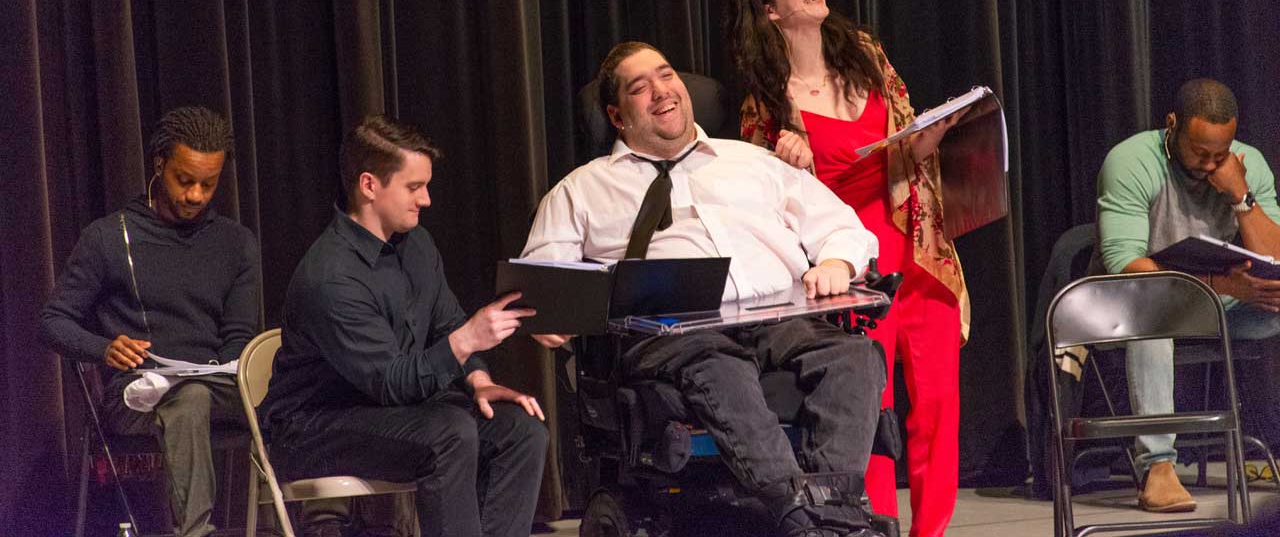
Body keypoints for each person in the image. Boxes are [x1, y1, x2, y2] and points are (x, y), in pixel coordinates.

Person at [525, 41, 888, 537]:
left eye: (666, 74)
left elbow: (841, 226)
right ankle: (799, 516)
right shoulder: (581, 191)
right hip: (671, 336)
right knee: (717, 364)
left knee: (855, 356)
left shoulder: (753, 162)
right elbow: (544, 283)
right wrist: (553, 316)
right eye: (640, 87)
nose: (661, 91)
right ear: (616, 114)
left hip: (776, 320)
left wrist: (837, 261)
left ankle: (836, 515)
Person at [725, 0, 970, 536]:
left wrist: (931, 135)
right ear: (770, 11)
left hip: (916, 254)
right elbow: (755, 206)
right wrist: (790, 165)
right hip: (852, 275)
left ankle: (931, 531)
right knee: (873, 411)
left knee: (938, 407)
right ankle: (872, 526)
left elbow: (906, 150)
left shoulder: (865, 55)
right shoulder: (768, 102)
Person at [259, 114, 548, 537]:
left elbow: (444, 322)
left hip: (391, 411)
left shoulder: (417, 245)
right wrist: (466, 339)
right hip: (314, 427)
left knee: (521, 431)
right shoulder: (331, 275)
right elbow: (390, 382)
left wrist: (480, 380)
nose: (426, 199)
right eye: (414, 187)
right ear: (369, 185)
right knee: (448, 433)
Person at [40, 106, 258, 537]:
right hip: (136, 396)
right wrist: (103, 347)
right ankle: (196, 532)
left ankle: (320, 520)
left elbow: (238, 336)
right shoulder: (108, 238)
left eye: (208, 184)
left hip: (214, 387)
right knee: (188, 398)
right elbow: (53, 320)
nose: (195, 195)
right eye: (185, 180)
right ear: (159, 164)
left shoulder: (234, 243)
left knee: (275, 384)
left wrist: (233, 369)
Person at [1095, 78, 1280, 512]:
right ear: (1172, 125)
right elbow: (1123, 264)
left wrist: (1241, 197)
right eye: (1200, 151)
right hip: (1139, 305)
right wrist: (1220, 285)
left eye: (1220, 153)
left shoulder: (1246, 163)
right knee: (1152, 315)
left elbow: (1274, 258)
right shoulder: (1131, 161)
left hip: (1223, 307)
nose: (1210, 163)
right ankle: (1158, 467)